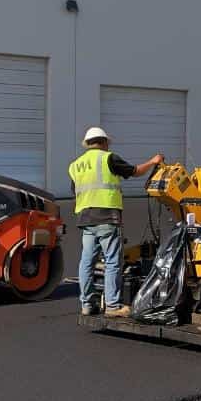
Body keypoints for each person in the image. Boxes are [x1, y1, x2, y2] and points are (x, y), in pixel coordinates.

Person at [69, 126, 164, 318]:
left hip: (85, 218)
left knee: (87, 261)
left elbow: (75, 190)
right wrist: (153, 161)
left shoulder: (76, 165)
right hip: (106, 216)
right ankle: (112, 306)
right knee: (113, 261)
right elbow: (134, 171)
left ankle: (87, 304)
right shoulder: (108, 158)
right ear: (104, 142)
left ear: (87, 143)